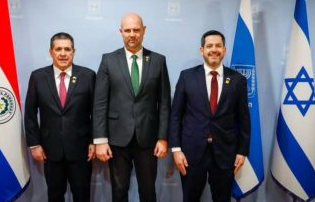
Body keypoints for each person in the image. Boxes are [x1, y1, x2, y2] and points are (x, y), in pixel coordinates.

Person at [93, 12, 171, 202]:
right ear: (121, 32)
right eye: (127, 30)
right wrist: (100, 140)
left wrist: (162, 137)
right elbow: (100, 103)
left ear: (144, 31)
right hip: (117, 139)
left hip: (148, 139)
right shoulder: (108, 60)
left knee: (148, 192)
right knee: (119, 193)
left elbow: (165, 103)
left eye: (136, 30)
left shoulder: (158, 60)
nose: (132, 34)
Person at [169, 30, 251, 202]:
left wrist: (242, 152)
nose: (214, 50)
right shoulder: (187, 76)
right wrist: (176, 150)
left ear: (224, 50)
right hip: (191, 153)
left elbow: (243, 119)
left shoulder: (237, 80)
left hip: (225, 154)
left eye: (218, 46)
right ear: (202, 50)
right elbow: (175, 115)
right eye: (209, 46)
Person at [24, 32, 96, 202]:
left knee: (82, 195)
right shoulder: (38, 77)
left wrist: (94, 141)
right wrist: (34, 144)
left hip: (81, 150)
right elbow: (30, 113)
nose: (63, 53)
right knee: (55, 195)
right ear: (51, 52)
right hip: (50, 150)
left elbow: (97, 112)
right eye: (58, 49)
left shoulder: (88, 76)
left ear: (73, 51)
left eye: (67, 49)